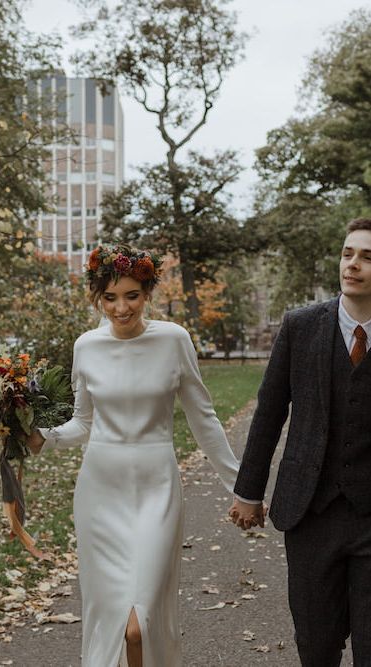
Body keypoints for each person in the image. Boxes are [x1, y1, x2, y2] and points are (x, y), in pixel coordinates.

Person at [26, 244, 240, 667]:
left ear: (147, 294)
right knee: (111, 621)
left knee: (142, 620)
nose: (121, 308)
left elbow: (205, 420)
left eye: (131, 296)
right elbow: (83, 423)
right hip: (100, 494)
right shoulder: (85, 346)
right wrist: (40, 437)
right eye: (110, 297)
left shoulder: (174, 340)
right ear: (97, 297)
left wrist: (241, 486)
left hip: (156, 489)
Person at [230, 218, 371, 666]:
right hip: (311, 512)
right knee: (315, 643)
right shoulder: (300, 326)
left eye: (368, 257)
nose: (354, 265)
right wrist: (249, 492)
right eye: (349, 253)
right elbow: (269, 413)